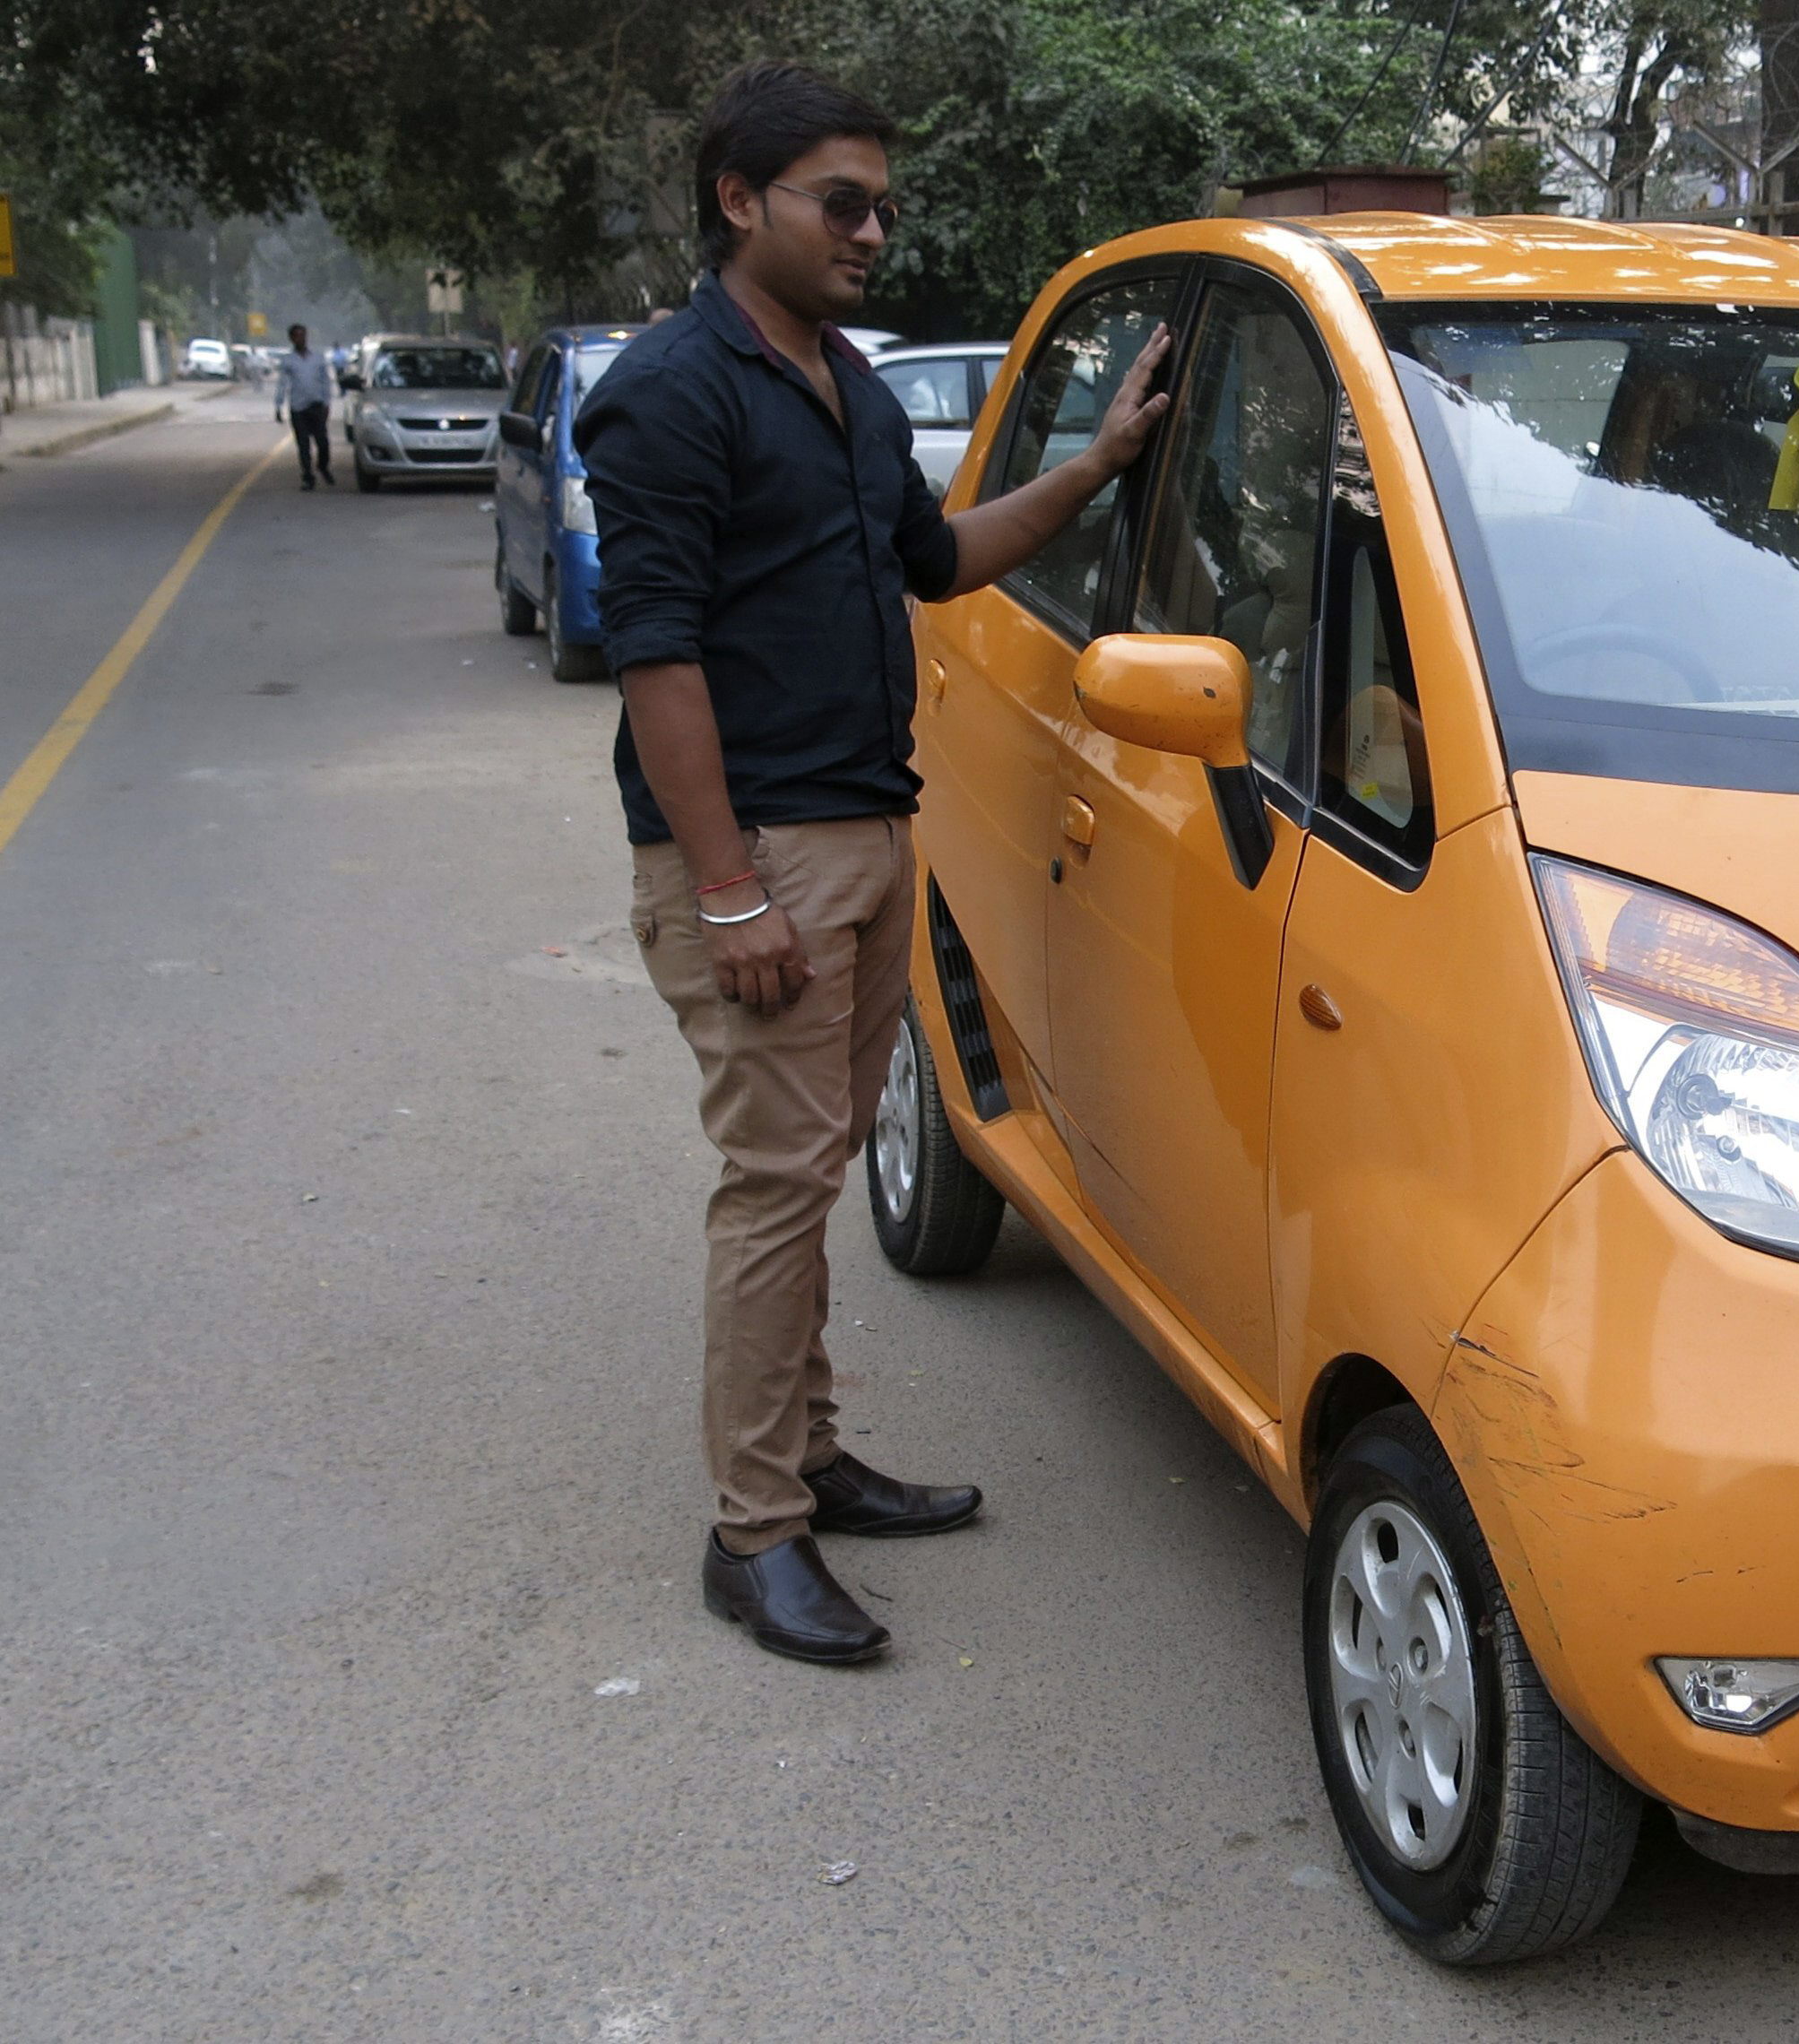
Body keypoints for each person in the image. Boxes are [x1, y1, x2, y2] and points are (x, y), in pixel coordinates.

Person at [577, 59, 1172, 1667]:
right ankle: (752, 1531)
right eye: (842, 202)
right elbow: (657, 656)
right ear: (737, 199)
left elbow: (940, 556)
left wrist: (1098, 466)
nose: (873, 229)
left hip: (858, 832)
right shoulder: (671, 388)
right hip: (757, 855)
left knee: (813, 1172)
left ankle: (808, 1458)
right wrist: (725, 890)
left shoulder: (836, 377)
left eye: (882, 205)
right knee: (774, 1193)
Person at [273, 325, 333, 489]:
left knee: (323, 442)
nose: (301, 339)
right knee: (303, 444)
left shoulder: (317, 358)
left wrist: (327, 402)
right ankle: (307, 476)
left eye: (303, 335)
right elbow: (282, 384)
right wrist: (278, 406)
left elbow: (325, 382)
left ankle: (323, 466)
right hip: (298, 407)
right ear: (292, 339)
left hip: (316, 405)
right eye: (297, 336)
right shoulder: (288, 361)